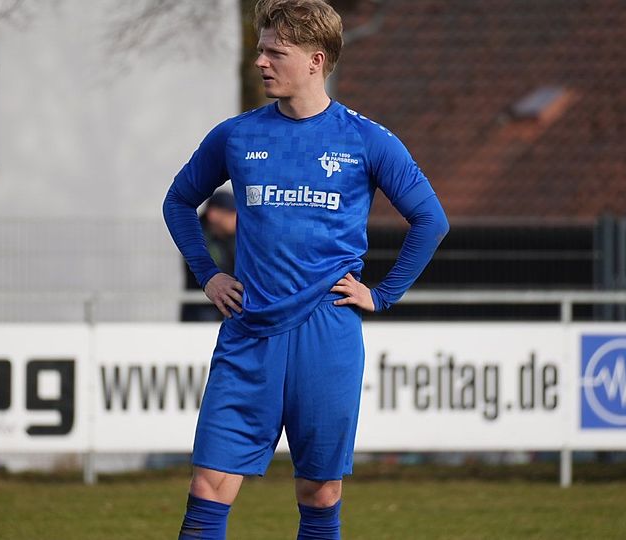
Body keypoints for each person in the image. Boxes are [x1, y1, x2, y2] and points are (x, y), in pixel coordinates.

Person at [162, 0, 449, 537]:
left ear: (316, 60)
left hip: (326, 331)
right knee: (207, 486)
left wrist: (382, 294)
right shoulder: (236, 135)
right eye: (260, 50)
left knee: (319, 492)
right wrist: (208, 273)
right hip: (249, 331)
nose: (261, 62)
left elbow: (431, 220)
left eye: (276, 52)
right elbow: (178, 201)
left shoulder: (366, 139)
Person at [182, 192, 238, 321]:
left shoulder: (232, 237)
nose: (236, 218)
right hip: (202, 310)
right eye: (230, 213)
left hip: (226, 309)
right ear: (213, 214)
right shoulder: (197, 240)